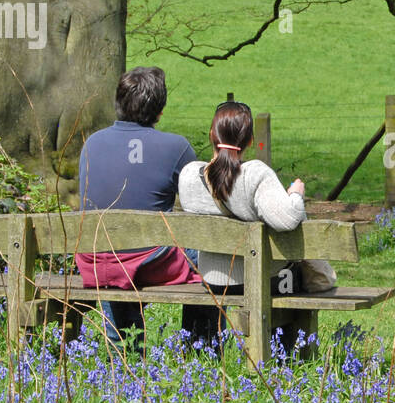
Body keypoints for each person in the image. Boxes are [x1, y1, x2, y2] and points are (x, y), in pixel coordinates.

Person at [75, 66, 206, 347]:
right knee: (213, 255)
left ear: (118, 104)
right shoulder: (177, 148)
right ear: (159, 111)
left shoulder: (91, 144)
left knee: (113, 251)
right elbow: (200, 211)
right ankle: (200, 352)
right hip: (150, 262)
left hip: (96, 263)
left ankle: (123, 347)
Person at [177, 101, 308, 348]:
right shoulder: (254, 175)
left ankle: (199, 352)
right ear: (249, 141)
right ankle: (286, 360)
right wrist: (296, 193)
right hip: (263, 280)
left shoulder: (188, 176)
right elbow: (289, 217)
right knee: (294, 274)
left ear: (211, 136)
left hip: (212, 279)